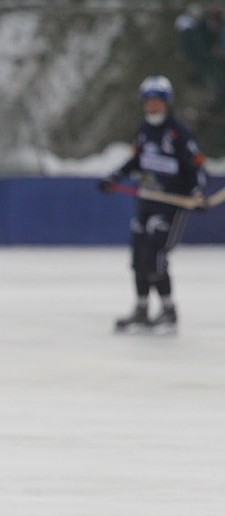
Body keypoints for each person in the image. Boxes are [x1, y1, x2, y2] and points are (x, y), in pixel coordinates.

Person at [98, 75, 207, 332]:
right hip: (147, 200)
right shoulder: (144, 130)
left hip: (170, 205)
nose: (152, 107)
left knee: (155, 255)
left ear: (166, 103)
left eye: (157, 102)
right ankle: (142, 309)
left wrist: (197, 192)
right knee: (138, 255)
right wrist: (115, 176)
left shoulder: (177, 133)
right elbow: (137, 161)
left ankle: (169, 311)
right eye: (148, 102)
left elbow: (196, 167)